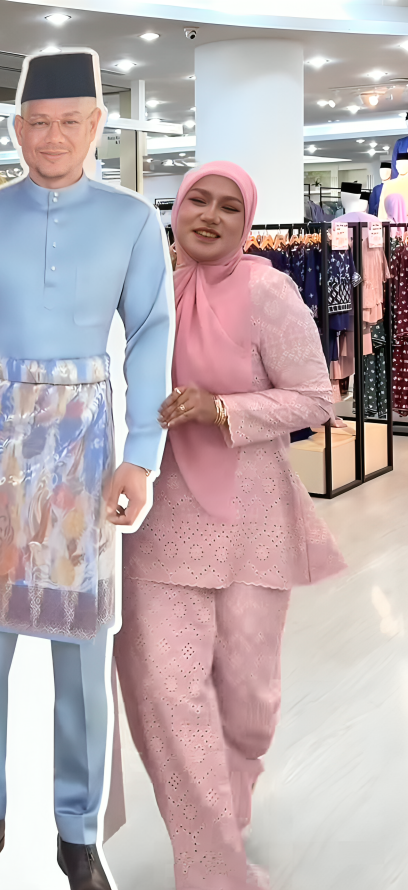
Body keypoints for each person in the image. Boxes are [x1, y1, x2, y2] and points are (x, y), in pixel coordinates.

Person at [0, 49, 172, 890]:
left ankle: (78, 829)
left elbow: (150, 333)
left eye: (70, 121)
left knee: (80, 650)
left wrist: (140, 455)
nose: (52, 137)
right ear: (16, 126)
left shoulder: (132, 221)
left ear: (97, 124)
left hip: (84, 448)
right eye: (37, 122)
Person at [114, 162, 346, 890]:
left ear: (246, 224)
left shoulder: (267, 291)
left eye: (227, 207)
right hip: (155, 521)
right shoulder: (143, 290)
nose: (209, 217)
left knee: (247, 703)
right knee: (167, 699)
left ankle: (229, 801)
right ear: (175, 210)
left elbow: (317, 398)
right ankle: (212, 865)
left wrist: (222, 410)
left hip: (251, 522)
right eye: (197, 201)